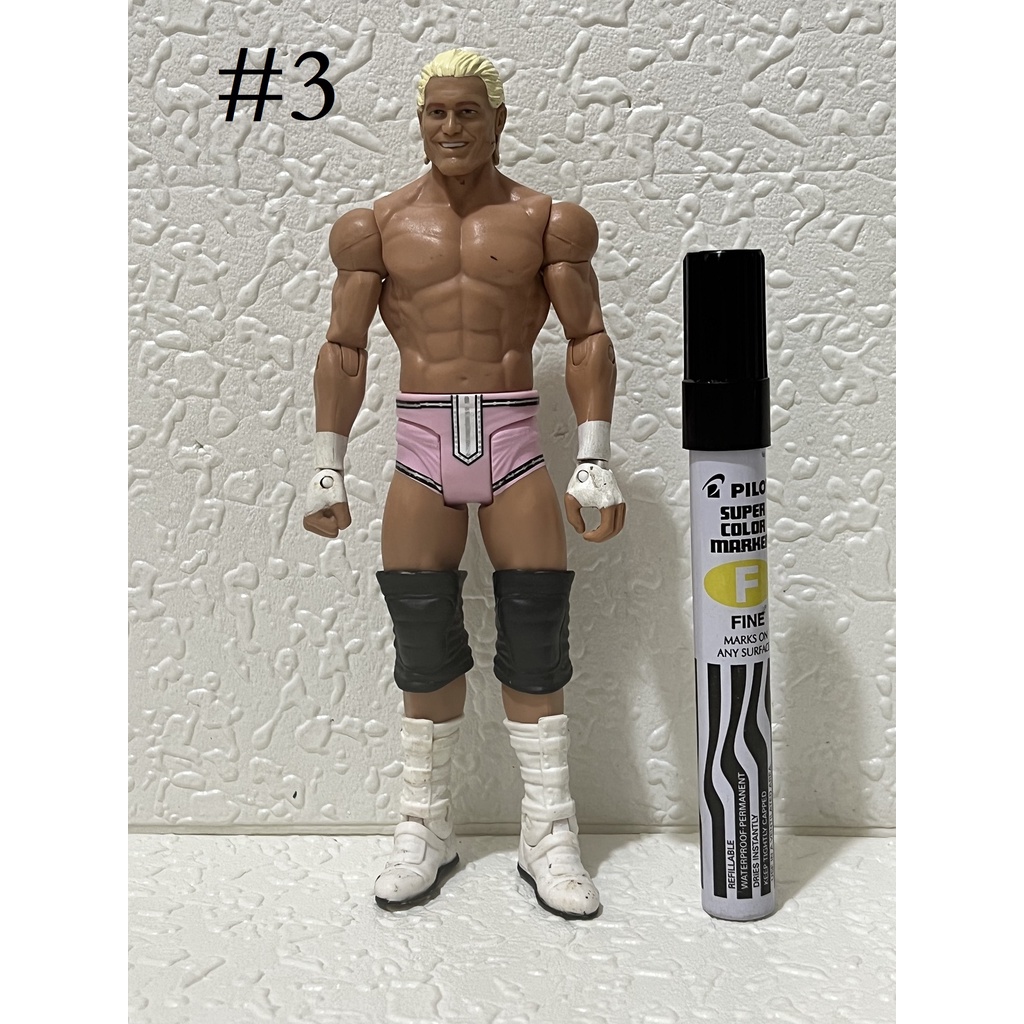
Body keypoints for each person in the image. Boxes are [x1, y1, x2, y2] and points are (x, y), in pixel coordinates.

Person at [303, 49, 625, 920]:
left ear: (498, 118)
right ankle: (425, 824)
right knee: (422, 635)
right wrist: (328, 461)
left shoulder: (546, 221)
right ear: (420, 120)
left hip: (513, 438)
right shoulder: (374, 228)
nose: (451, 127)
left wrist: (594, 455)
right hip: (421, 444)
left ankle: (547, 830)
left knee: (536, 630)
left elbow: (587, 338)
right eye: (436, 112)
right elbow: (344, 348)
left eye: (468, 111)